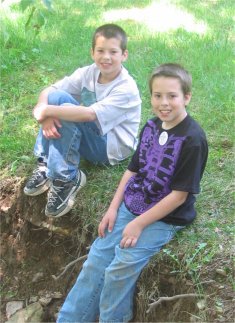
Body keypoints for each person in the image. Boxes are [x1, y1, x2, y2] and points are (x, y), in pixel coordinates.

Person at [56, 63, 208, 322]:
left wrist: (138, 224)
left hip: (165, 217)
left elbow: (179, 196)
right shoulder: (151, 126)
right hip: (133, 204)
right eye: (157, 95)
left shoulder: (193, 139)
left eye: (172, 96)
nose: (164, 103)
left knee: (120, 267)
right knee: (96, 258)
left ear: (187, 97)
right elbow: (132, 171)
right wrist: (113, 208)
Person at [23, 24, 141, 218]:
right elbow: (51, 89)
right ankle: (45, 165)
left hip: (109, 149)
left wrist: (48, 111)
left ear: (124, 55)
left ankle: (67, 178)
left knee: (68, 109)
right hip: (93, 134)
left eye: (113, 52)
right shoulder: (89, 72)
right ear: (92, 52)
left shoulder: (126, 88)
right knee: (58, 98)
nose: (106, 57)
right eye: (101, 51)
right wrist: (44, 111)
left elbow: (88, 115)